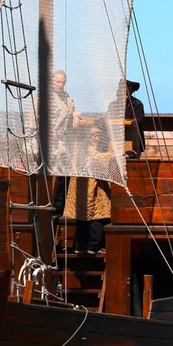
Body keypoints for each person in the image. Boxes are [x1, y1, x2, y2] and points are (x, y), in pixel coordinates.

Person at [63, 123, 112, 254]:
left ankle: (84, 246)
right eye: (93, 136)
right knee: (94, 216)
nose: (96, 138)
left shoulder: (85, 147)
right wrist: (112, 155)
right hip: (88, 185)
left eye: (98, 135)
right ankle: (90, 246)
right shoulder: (84, 148)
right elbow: (95, 159)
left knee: (91, 216)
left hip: (89, 185)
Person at [51, 69, 81, 218]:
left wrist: (76, 116)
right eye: (58, 82)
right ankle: (51, 208)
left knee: (63, 177)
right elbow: (37, 119)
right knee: (51, 177)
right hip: (49, 144)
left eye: (63, 82)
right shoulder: (45, 98)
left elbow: (74, 108)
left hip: (62, 144)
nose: (60, 85)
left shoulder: (66, 97)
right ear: (52, 81)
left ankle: (60, 208)